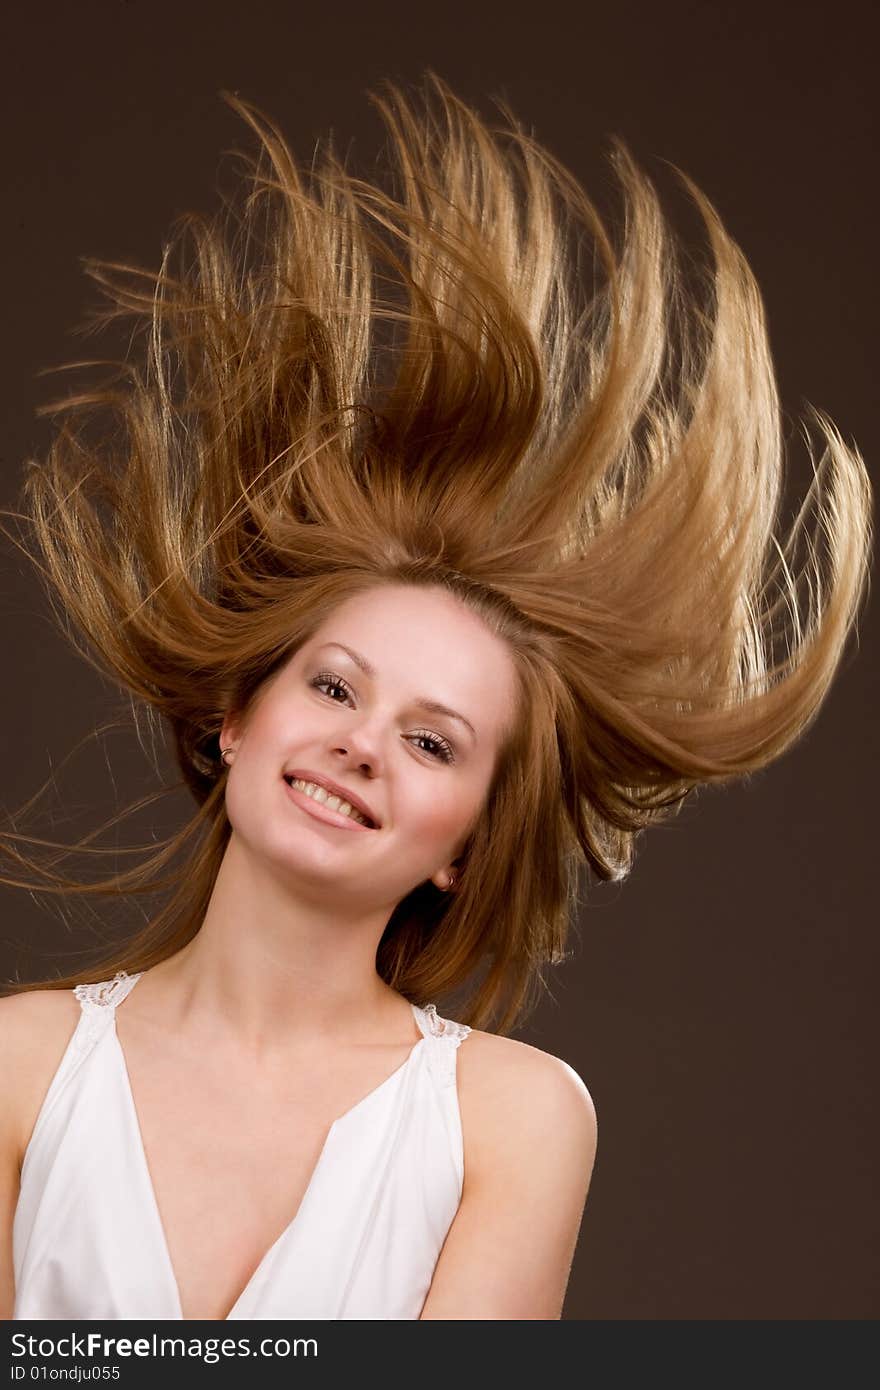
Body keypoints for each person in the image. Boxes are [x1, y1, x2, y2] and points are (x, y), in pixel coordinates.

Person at [0, 73, 871, 1322]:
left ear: (469, 840)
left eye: (428, 739)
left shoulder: (511, 1121)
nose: (360, 745)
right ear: (235, 718)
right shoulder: (17, 1069)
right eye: (334, 685)